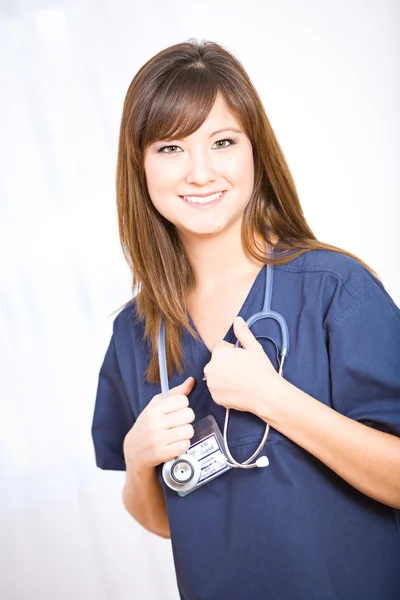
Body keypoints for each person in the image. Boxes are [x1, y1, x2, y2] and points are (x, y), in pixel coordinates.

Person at [91, 39, 400, 600]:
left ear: (254, 150)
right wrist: (139, 461)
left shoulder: (334, 289)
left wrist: (273, 398)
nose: (199, 172)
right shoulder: (137, 334)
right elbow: (169, 520)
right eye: (170, 148)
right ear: (140, 165)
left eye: (223, 142)